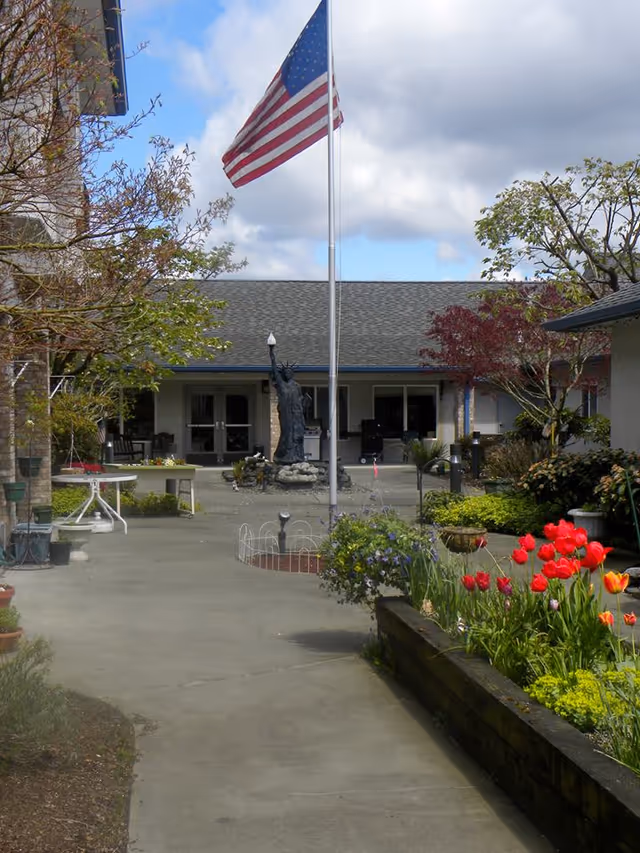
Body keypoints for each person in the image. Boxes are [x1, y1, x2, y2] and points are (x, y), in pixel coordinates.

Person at [268, 343, 305, 463]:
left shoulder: (297, 386)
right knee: (287, 434)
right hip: (285, 414)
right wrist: (271, 353)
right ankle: (283, 456)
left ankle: (297, 456)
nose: (288, 374)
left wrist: (305, 405)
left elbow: (300, 400)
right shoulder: (281, 385)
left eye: (290, 372)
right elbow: (274, 370)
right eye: (286, 372)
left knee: (297, 435)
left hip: (297, 415)